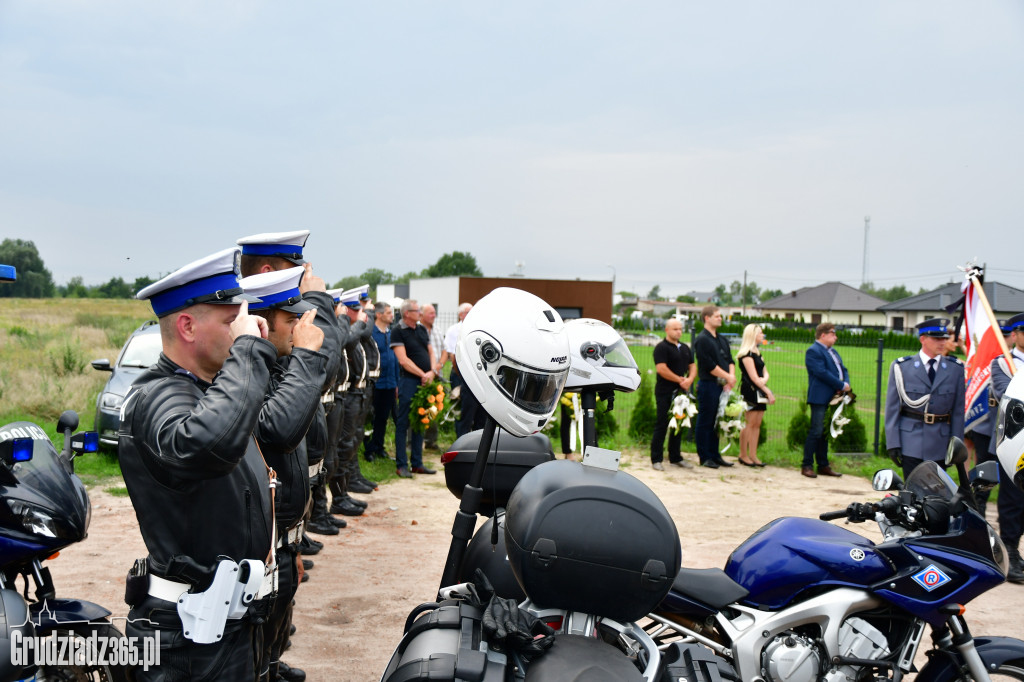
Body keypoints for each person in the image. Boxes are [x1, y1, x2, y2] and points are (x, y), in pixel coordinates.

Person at [120, 248, 274, 681]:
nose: (243, 328)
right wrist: (247, 350)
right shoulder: (157, 396)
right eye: (230, 320)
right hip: (187, 638)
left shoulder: (209, 392)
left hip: (227, 625)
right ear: (186, 326)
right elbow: (205, 447)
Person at [240, 267, 327, 682]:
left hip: (287, 536)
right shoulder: (250, 376)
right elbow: (280, 429)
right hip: (264, 541)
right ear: (261, 321)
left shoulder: (281, 366)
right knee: (256, 637)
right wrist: (306, 357)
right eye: (290, 321)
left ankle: (272, 667)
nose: (299, 329)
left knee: (279, 622)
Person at [885, 318, 965, 480]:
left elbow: (958, 412)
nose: (942, 342)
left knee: (937, 496)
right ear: (923, 339)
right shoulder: (902, 367)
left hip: (940, 444)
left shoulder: (955, 369)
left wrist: (955, 446)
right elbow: (892, 409)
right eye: (937, 338)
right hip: (910, 442)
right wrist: (893, 444)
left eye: (944, 338)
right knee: (912, 496)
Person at [988, 312, 1024, 583]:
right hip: (1015, 442)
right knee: (1013, 499)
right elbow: (1004, 394)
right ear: (1015, 334)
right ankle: (1009, 549)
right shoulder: (1003, 363)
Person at [391, 299, 438, 477]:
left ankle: (417, 463)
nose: (420, 313)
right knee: (403, 423)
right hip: (409, 381)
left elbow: (431, 351)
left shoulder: (421, 329)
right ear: (407, 313)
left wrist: (432, 371)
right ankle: (401, 464)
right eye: (417, 311)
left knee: (422, 420)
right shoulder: (398, 331)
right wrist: (422, 374)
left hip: (426, 381)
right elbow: (403, 360)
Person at [802, 323, 849, 478]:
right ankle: (807, 464)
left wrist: (845, 384)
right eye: (833, 333)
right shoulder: (813, 351)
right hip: (819, 397)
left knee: (825, 432)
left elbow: (843, 369)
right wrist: (840, 384)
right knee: (816, 431)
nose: (835, 337)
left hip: (834, 396)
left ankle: (823, 465)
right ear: (823, 335)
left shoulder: (833, 352)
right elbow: (821, 372)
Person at [650, 318, 696, 471]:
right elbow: (661, 369)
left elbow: (692, 365)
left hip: (681, 393)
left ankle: (675, 457)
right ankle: (656, 458)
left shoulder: (684, 348)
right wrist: (679, 380)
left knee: (679, 423)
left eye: (680, 329)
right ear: (667, 330)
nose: (679, 332)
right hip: (665, 391)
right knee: (662, 424)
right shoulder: (661, 348)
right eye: (675, 329)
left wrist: (689, 380)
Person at [693, 306, 735, 468]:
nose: (720, 319)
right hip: (708, 385)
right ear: (707, 318)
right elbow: (708, 365)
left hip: (723, 386)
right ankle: (704, 456)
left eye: (720, 316)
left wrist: (730, 378)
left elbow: (730, 360)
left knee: (717, 422)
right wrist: (728, 377)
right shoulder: (702, 339)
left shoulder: (722, 339)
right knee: (706, 421)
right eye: (716, 316)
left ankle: (715, 454)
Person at [441, 303, 486, 437]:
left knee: (480, 411)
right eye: (468, 311)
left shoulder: (479, 328)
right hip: (460, 375)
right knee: (464, 410)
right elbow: (453, 356)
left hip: (477, 375)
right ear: (461, 314)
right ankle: (462, 440)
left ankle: (478, 441)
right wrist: (463, 377)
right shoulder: (454, 330)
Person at [737, 324, 773, 467]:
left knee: (757, 424)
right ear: (752, 335)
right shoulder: (746, 355)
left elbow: (765, 372)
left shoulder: (757, 352)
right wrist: (768, 390)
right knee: (749, 423)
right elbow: (753, 377)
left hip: (760, 389)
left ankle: (753, 454)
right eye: (760, 333)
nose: (763, 335)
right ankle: (743, 454)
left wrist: (763, 381)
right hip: (750, 390)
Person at [366, 301, 398, 461]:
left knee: (383, 418)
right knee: (372, 417)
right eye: (388, 312)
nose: (391, 315)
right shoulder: (371, 334)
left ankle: (379, 447)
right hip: (376, 383)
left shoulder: (390, 333)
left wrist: (396, 382)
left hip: (390, 383)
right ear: (378, 315)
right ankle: (368, 449)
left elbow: (395, 359)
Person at [420, 303, 445, 450]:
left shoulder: (437, 330)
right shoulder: (416, 330)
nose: (433, 315)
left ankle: (430, 440)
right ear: (421, 315)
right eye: (430, 313)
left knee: (434, 408)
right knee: (418, 408)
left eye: (434, 313)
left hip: (435, 375)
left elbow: (444, 352)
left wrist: (437, 367)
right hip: (422, 376)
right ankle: (413, 441)